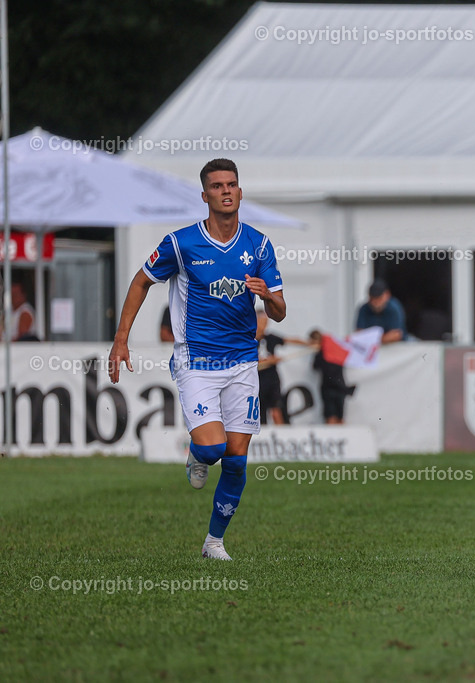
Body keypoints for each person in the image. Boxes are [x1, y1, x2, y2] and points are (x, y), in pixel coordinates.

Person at [108, 158, 285, 561]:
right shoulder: (181, 243)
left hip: (243, 361)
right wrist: (121, 340)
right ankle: (197, 453)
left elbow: (279, 311)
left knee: (237, 461)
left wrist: (268, 295)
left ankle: (214, 543)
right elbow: (140, 282)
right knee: (212, 449)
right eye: (218, 186)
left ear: (240, 192)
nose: (226, 191)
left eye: (232, 184)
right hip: (196, 360)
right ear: (204, 196)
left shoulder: (258, 245)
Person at [308, 329, 355, 424]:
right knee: (339, 416)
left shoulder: (322, 354)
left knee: (330, 417)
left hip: (328, 388)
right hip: (340, 386)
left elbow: (315, 366)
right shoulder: (336, 348)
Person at [355, 279, 406, 344]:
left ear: (387, 295)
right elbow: (359, 332)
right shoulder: (364, 309)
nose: (376, 302)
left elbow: (396, 334)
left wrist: (372, 339)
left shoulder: (393, 308)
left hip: (395, 347)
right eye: (373, 299)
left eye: (379, 298)